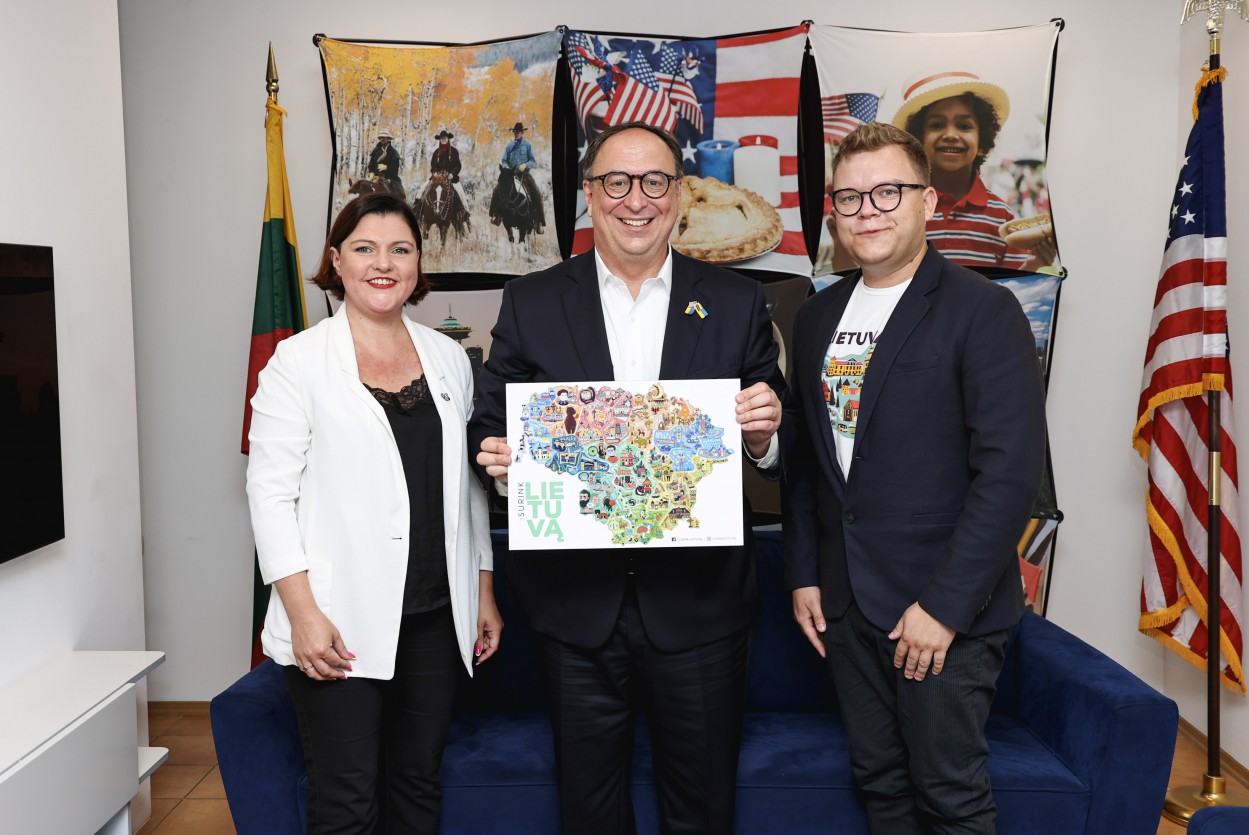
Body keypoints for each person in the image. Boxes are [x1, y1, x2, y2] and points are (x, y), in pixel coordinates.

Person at [468, 121, 784, 834]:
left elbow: (770, 431)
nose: (634, 200)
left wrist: (763, 435)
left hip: (701, 608)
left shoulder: (737, 300)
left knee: (703, 812)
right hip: (575, 609)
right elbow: (490, 419)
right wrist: (503, 461)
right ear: (590, 193)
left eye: (654, 182)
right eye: (616, 181)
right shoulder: (531, 301)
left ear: (679, 195)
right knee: (589, 812)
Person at [783, 122, 1045, 834]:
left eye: (887, 192)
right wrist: (804, 573)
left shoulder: (983, 310)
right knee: (880, 783)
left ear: (926, 201)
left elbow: (1009, 473)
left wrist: (944, 608)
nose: (867, 210)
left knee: (948, 795)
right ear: (833, 211)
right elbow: (807, 461)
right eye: (849, 197)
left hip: (939, 612)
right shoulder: (815, 316)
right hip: (845, 605)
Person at [247, 191, 502, 833]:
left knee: (418, 785)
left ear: (417, 264)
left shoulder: (448, 357)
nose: (382, 264)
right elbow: (269, 496)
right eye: (364, 248)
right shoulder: (297, 361)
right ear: (337, 260)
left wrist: (483, 589)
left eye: (400, 249)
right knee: (347, 803)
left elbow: (467, 487)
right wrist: (303, 616)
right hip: (338, 619)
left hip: (437, 615)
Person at [892, 71, 1055, 272]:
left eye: (964, 126)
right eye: (937, 125)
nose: (950, 134)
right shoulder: (903, 207)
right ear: (919, 141)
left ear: (982, 143)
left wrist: (1034, 264)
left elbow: (1012, 285)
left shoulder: (1002, 216)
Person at [490, 121, 545, 233]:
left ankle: (539, 222)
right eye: (515, 132)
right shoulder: (509, 146)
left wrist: (525, 165)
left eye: (518, 132)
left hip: (525, 175)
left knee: (537, 193)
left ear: (522, 133)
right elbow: (504, 160)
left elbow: (533, 161)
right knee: (497, 190)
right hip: (510, 175)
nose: (516, 134)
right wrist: (506, 168)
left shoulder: (528, 145)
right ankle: (496, 215)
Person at [429, 128, 468, 208]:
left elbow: (458, 165)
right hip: (437, 178)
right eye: (442, 138)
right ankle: (417, 209)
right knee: (422, 190)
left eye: (445, 138)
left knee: (461, 195)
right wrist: (435, 172)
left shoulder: (454, 151)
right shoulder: (436, 152)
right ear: (440, 140)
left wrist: (452, 174)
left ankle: (465, 212)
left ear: (448, 139)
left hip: (452, 178)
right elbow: (433, 165)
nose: (443, 140)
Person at [368, 129, 405, 196]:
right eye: (381, 137)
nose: (382, 139)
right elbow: (371, 164)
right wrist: (371, 172)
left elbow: (395, 167)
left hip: (390, 177)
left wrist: (387, 167)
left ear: (388, 139)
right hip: (376, 177)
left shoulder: (393, 152)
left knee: (400, 192)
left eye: (384, 137)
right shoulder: (375, 151)